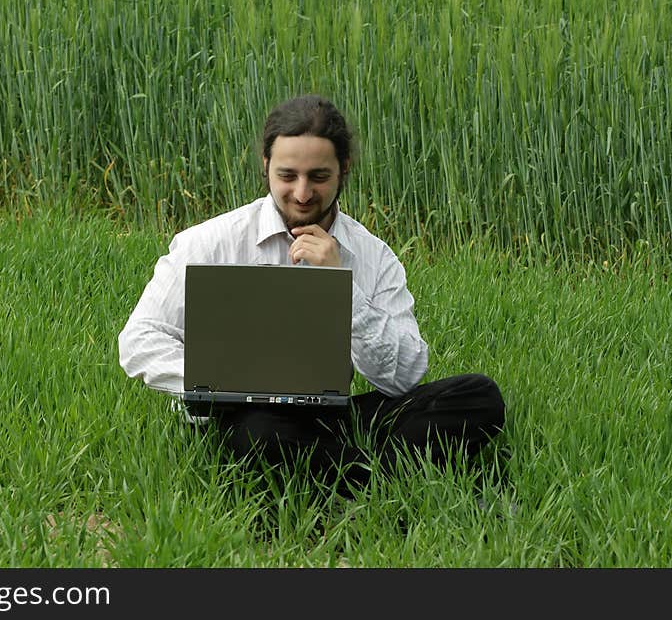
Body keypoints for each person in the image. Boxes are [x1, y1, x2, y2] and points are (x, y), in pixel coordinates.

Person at [118, 94, 505, 492]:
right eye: (288, 176)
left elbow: (404, 377)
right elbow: (138, 340)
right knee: (260, 435)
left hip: (332, 414)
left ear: (343, 170)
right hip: (247, 417)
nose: (302, 193)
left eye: (318, 177)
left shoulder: (373, 255)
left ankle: (332, 477)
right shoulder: (209, 242)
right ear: (266, 166)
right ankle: (399, 484)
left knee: (478, 397)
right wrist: (225, 384)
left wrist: (341, 287)